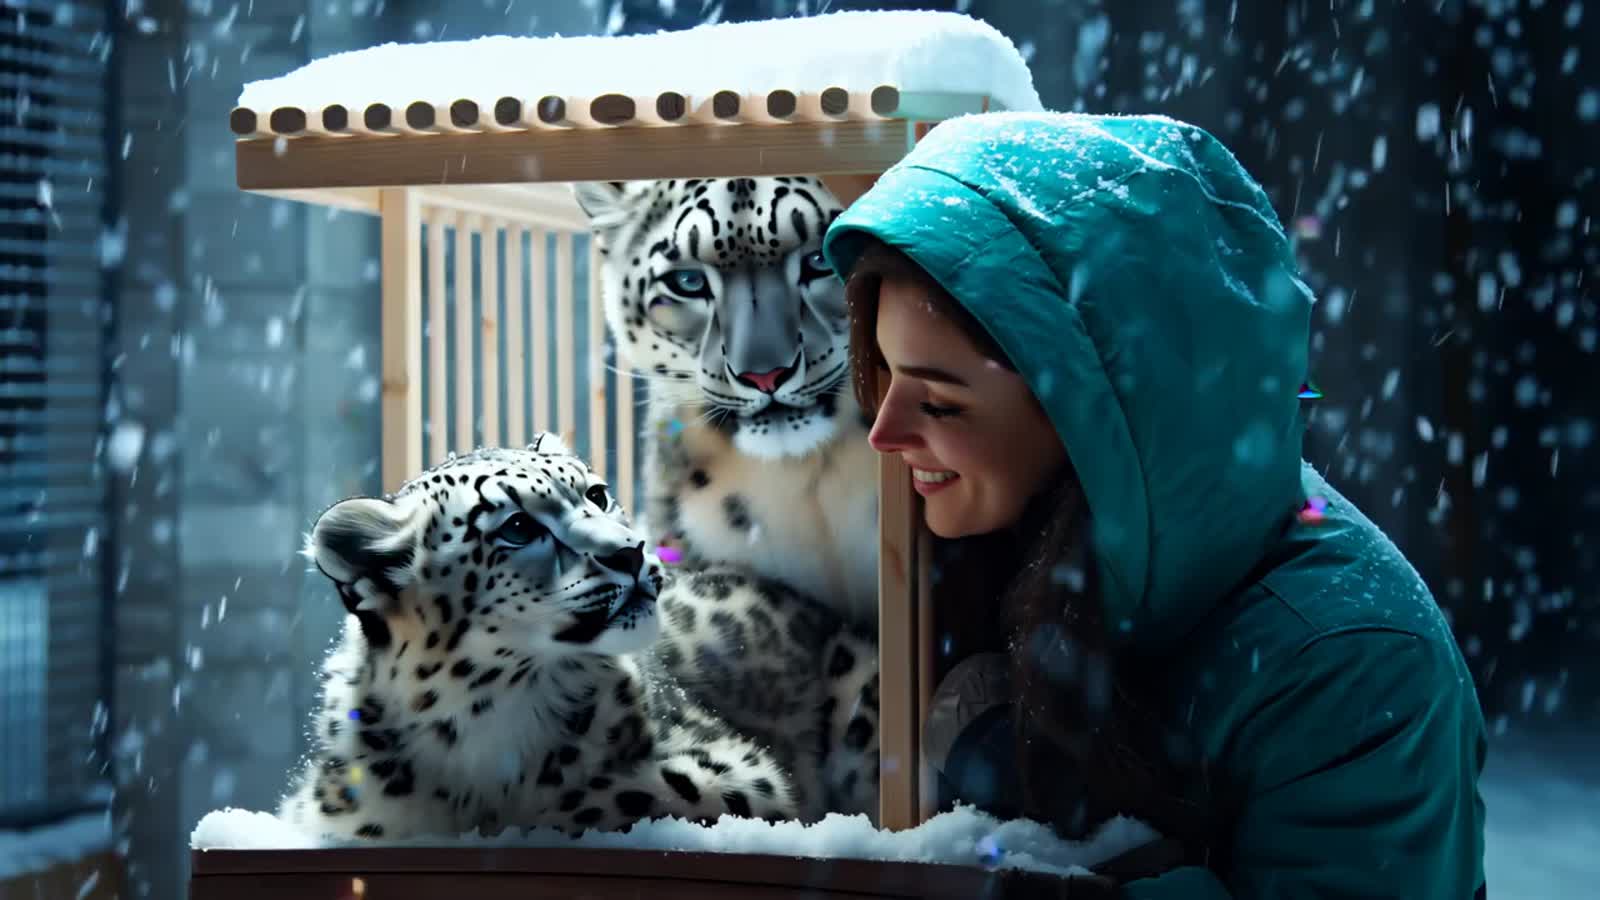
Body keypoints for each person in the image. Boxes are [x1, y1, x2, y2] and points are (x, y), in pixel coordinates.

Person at [819, 112, 1488, 899]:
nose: (884, 433)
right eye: (885, 377)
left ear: (1095, 417)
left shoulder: (1355, 667)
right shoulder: (1028, 531)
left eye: (941, 404)